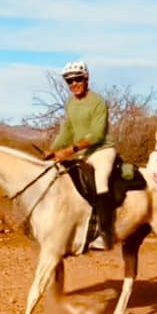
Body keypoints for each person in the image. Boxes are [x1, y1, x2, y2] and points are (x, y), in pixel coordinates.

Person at [45, 60, 116, 249]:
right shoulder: (70, 104)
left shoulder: (97, 102)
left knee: (100, 183)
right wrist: (52, 150)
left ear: (86, 78)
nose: (73, 83)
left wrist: (70, 150)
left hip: (102, 151)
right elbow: (66, 131)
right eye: (69, 81)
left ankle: (105, 233)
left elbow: (97, 133)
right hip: (83, 154)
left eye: (77, 79)